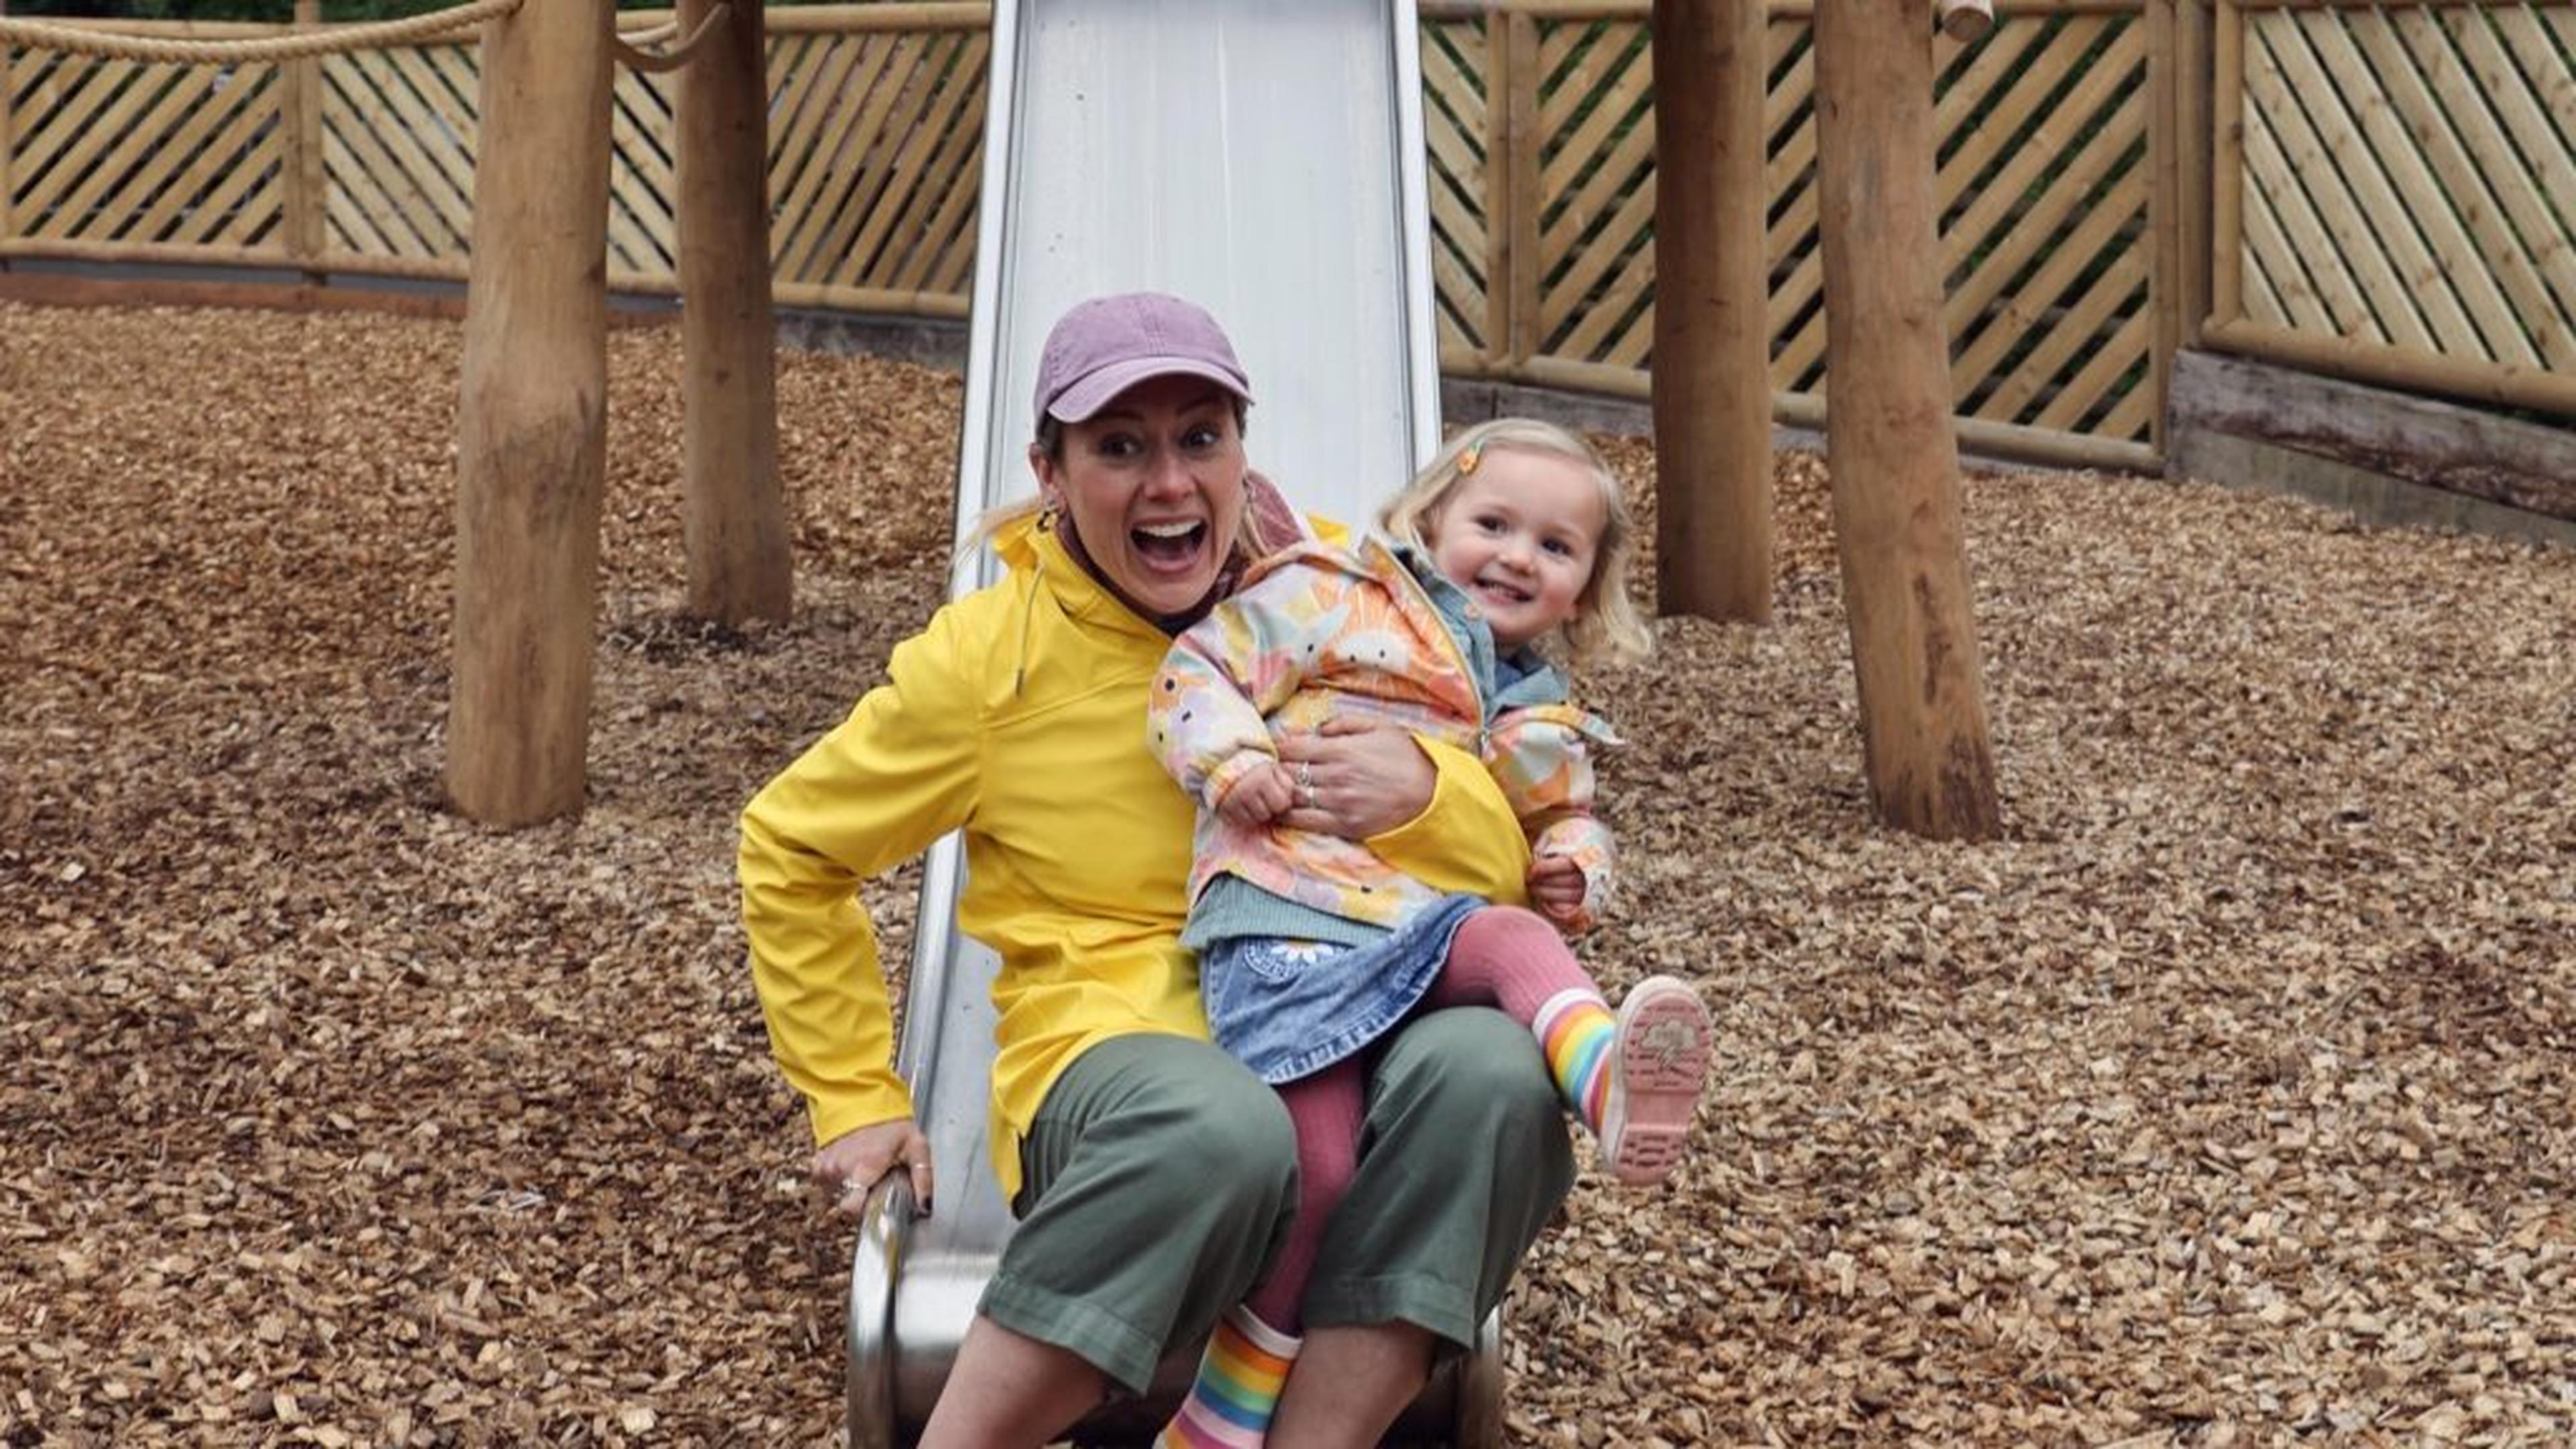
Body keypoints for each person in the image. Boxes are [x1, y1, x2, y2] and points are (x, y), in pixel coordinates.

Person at [739, 292, 1577, 1449]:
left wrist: (1432, 792)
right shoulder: (992, 663)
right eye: (1119, 448)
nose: (1170, 482)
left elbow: (1512, 872)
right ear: (1051, 470)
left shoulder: (1341, 599)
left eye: (1200, 437)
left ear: (1242, 448)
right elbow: (792, 846)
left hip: (1353, 999)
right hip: (1129, 1053)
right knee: (1220, 1125)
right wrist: (853, 1095)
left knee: (1493, 1073)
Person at [1145, 418, 1716, 1447]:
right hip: (1293, 914)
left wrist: (1575, 869)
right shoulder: (1336, 598)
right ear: (1427, 520)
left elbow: (1569, 815)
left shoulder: (1535, 706)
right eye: (1494, 523)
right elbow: (1199, 669)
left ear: (1583, 587)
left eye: (1555, 547)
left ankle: (1610, 1087)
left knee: (1506, 935)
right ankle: (1221, 1417)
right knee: (1313, 1175)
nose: (1516, 555)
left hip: (1411, 934)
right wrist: (1227, 761)